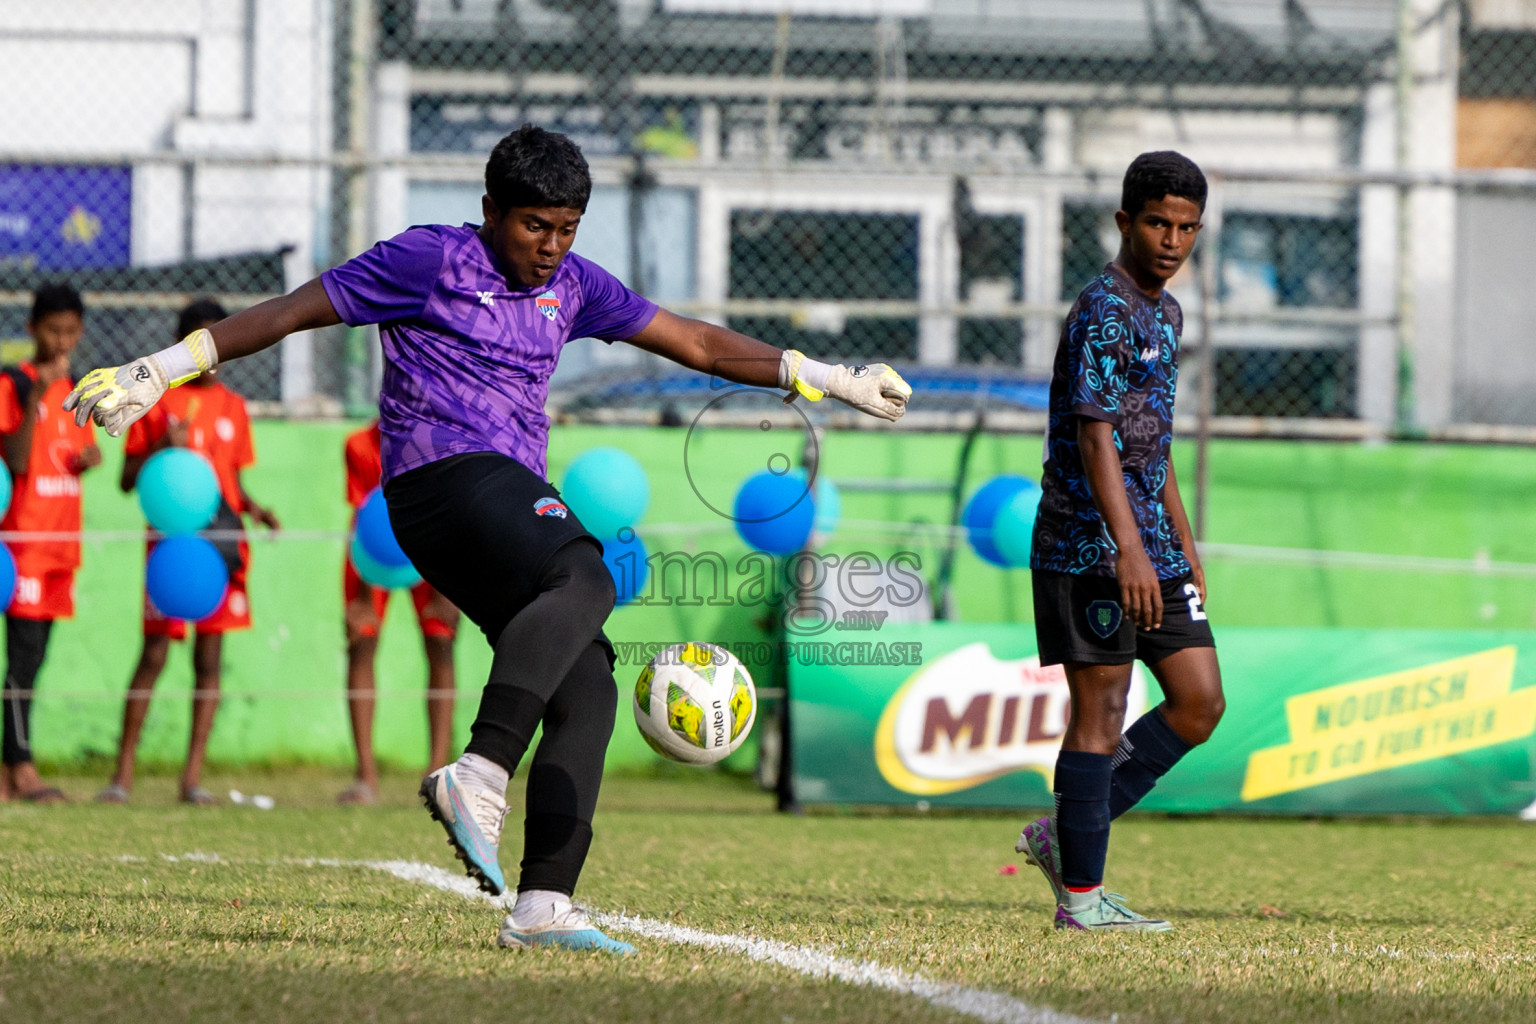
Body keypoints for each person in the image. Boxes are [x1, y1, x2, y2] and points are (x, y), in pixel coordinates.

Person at [65, 124, 911, 952]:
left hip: (499, 500)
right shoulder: (429, 259)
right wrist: (163, 369)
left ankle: (543, 902)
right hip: (439, 482)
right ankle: (479, 771)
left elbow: (692, 340)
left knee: (589, 686)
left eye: (567, 229)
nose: (549, 246)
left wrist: (827, 377)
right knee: (588, 576)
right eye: (533, 225)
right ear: (491, 210)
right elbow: (293, 311)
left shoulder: (574, 286)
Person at [1019, 151, 1225, 931]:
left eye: (1186, 227)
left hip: (1152, 546)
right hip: (1086, 547)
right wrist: (1130, 548)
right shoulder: (1103, 308)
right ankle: (1081, 899)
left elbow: (1153, 442)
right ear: (1124, 222)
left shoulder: (1165, 313)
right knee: (1100, 711)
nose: (1172, 240)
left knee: (1200, 702)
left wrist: (1181, 542)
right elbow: (1097, 436)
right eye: (1157, 222)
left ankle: (1063, 835)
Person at [95, 299, 280, 806]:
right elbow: (128, 481)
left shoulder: (235, 408)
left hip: (219, 549)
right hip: (170, 553)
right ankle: (122, 776)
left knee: (210, 658)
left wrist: (257, 511)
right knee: (153, 655)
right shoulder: (156, 403)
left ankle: (191, 778)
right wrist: (163, 449)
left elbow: (231, 485)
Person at [0, 283, 101, 803]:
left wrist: (87, 460)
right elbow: (16, 461)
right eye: (52, 331)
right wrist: (37, 392)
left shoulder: (80, 387)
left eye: (70, 332)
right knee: (22, 659)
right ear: (32, 329)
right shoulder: (13, 382)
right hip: (22, 544)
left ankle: (10, 769)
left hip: (62, 544)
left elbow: (75, 450)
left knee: (34, 658)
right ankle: (21, 768)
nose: (62, 342)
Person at [339, 418, 461, 805]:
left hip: (432, 545)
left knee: (441, 643)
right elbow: (363, 518)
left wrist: (447, 588)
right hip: (374, 549)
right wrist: (360, 596)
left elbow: (448, 512)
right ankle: (366, 777)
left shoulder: (439, 440)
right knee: (361, 643)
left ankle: (437, 774)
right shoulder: (359, 445)